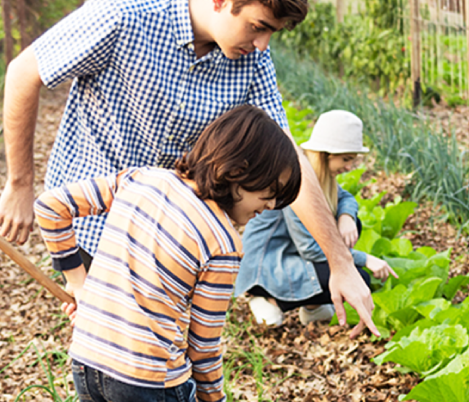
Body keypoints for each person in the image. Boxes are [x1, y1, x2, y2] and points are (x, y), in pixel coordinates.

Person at [0, 0, 380, 337]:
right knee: (118, 354)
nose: (262, 45)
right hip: (95, 224)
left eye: (271, 34)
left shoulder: (253, 62)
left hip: (169, 234)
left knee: (159, 354)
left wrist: (340, 262)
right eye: (258, 27)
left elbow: (287, 156)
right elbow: (25, 72)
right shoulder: (124, 14)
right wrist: (20, 184)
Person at [34, 106, 302, 402]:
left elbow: (51, 207)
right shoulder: (223, 243)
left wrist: (78, 283)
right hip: (150, 378)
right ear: (238, 170)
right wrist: (214, 398)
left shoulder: (141, 178)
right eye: (271, 190)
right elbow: (203, 345)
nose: (272, 204)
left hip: (88, 361)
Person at [234, 110, 398, 326]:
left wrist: (347, 216)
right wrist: (365, 258)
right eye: (346, 159)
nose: (350, 167)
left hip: (292, 252)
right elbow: (310, 249)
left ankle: (311, 307)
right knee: (359, 276)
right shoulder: (297, 181)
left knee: (353, 228)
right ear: (325, 154)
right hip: (267, 265)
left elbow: (344, 197)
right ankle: (269, 299)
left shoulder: (318, 174)